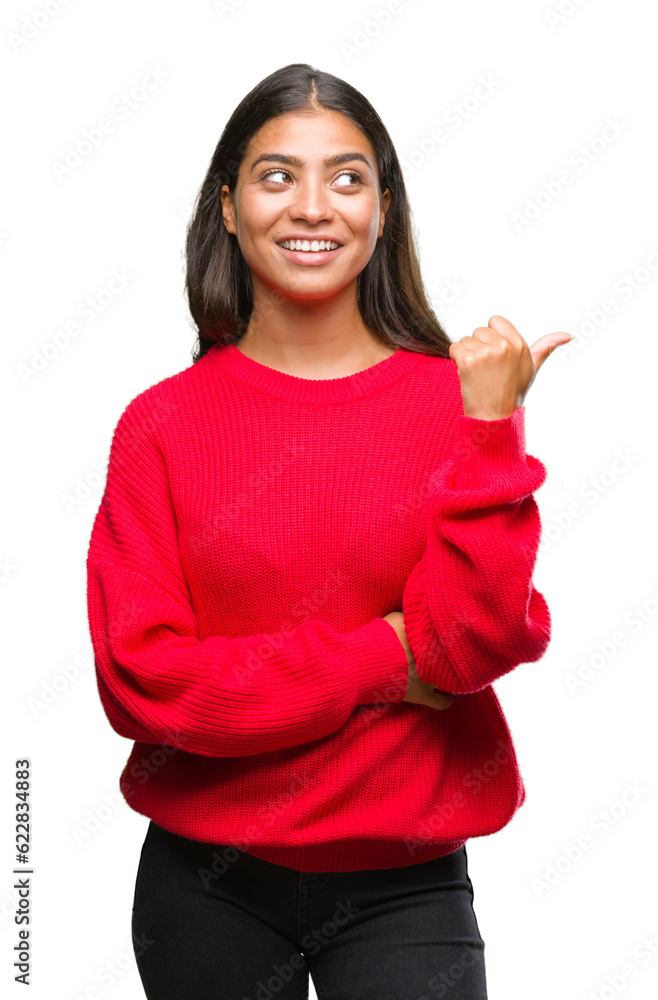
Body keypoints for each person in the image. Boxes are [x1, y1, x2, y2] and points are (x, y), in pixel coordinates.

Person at [86, 62, 572, 1000]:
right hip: (207, 884)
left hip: (408, 884)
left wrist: (488, 434)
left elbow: (470, 645)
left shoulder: (457, 402)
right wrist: (384, 660)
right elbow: (146, 683)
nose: (314, 206)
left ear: (383, 208)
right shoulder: (160, 427)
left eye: (346, 178)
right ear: (227, 206)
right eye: (278, 176)